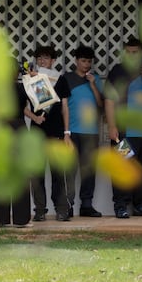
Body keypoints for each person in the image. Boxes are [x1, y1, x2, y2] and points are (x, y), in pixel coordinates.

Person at [104, 36, 142, 218]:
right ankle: (121, 205)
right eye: (129, 52)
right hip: (124, 132)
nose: (132, 55)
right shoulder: (117, 71)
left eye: (135, 52)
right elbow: (109, 100)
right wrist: (112, 126)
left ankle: (141, 205)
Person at [23, 45, 69, 222]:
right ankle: (40, 210)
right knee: (36, 174)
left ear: (53, 60)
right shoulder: (30, 79)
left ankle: (62, 209)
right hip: (37, 133)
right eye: (39, 58)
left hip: (56, 132)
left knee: (58, 173)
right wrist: (34, 118)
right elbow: (22, 107)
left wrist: (67, 132)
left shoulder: (60, 79)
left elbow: (65, 107)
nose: (42, 61)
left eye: (46, 58)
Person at [57, 45, 104, 218]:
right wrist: (65, 132)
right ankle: (68, 205)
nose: (86, 65)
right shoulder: (66, 78)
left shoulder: (95, 79)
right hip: (72, 131)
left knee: (89, 170)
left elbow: (101, 105)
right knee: (70, 170)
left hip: (91, 132)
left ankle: (86, 205)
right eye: (83, 61)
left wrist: (93, 85)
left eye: (89, 62)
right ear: (76, 61)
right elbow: (62, 106)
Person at [0, 66, 33, 228]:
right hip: (18, 127)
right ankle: (21, 218)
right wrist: (34, 78)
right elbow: (43, 99)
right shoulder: (23, 87)